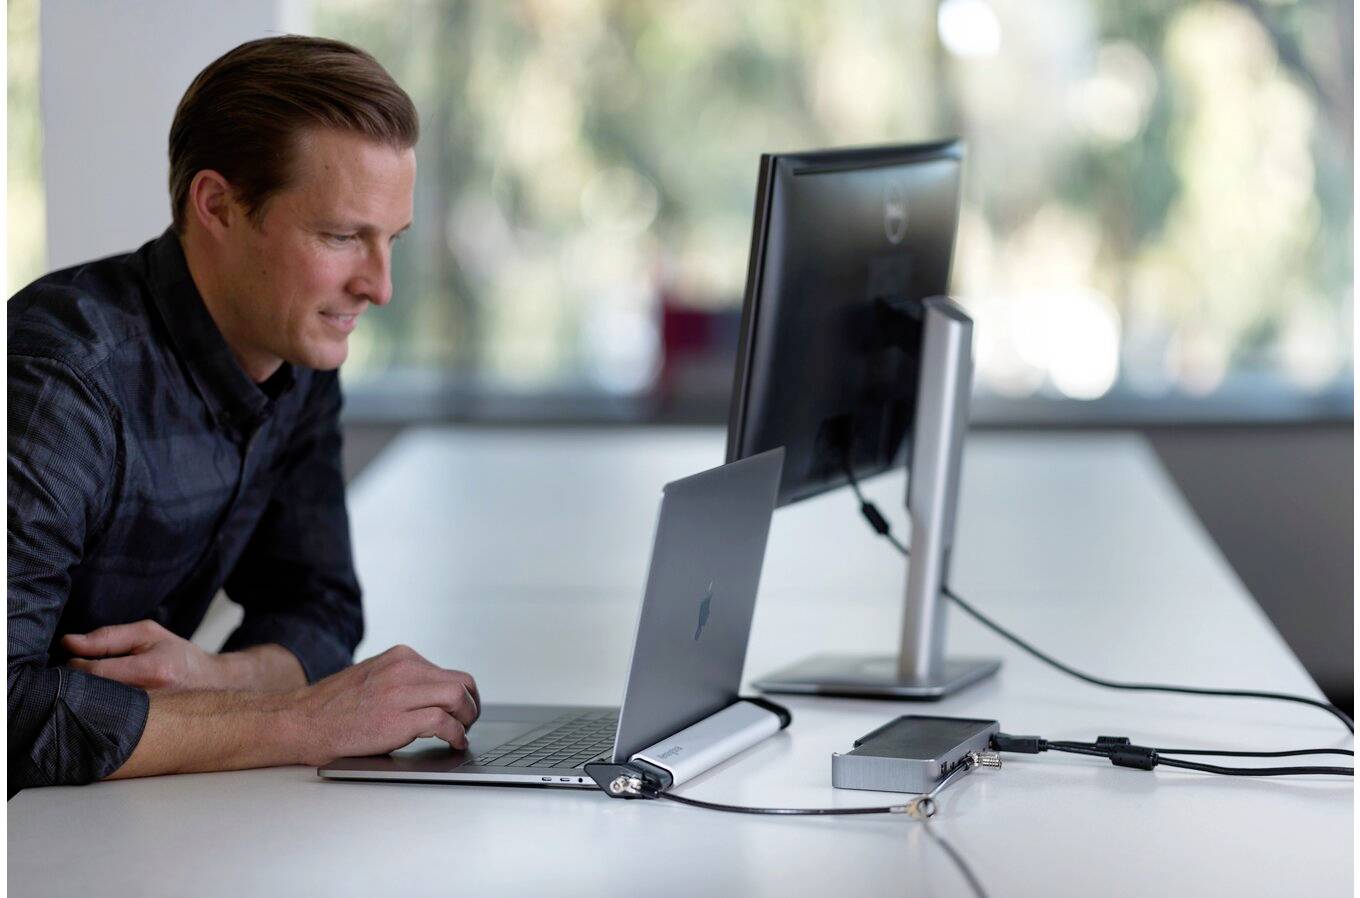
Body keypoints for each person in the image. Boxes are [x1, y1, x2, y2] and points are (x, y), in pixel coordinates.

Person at [7, 35, 478, 792]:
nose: (380, 288)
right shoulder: (58, 381)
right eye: (340, 237)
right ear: (218, 206)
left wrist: (214, 674)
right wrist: (303, 721)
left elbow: (319, 608)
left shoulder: (298, 348)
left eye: (390, 240)